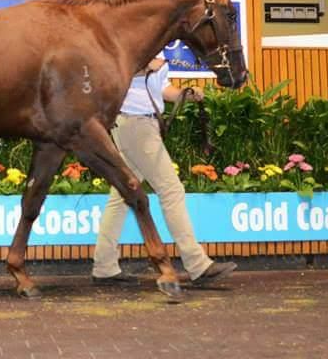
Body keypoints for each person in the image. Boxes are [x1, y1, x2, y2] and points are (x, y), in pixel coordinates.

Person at [92, 54, 237, 288]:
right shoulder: (134, 44)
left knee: (121, 195)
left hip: (140, 124)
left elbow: (163, 89)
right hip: (136, 124)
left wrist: (184, 95)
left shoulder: (156, 49)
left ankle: (104, 266)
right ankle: (197, 264)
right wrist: (144, 65)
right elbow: (113, 74)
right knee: (171, 189)